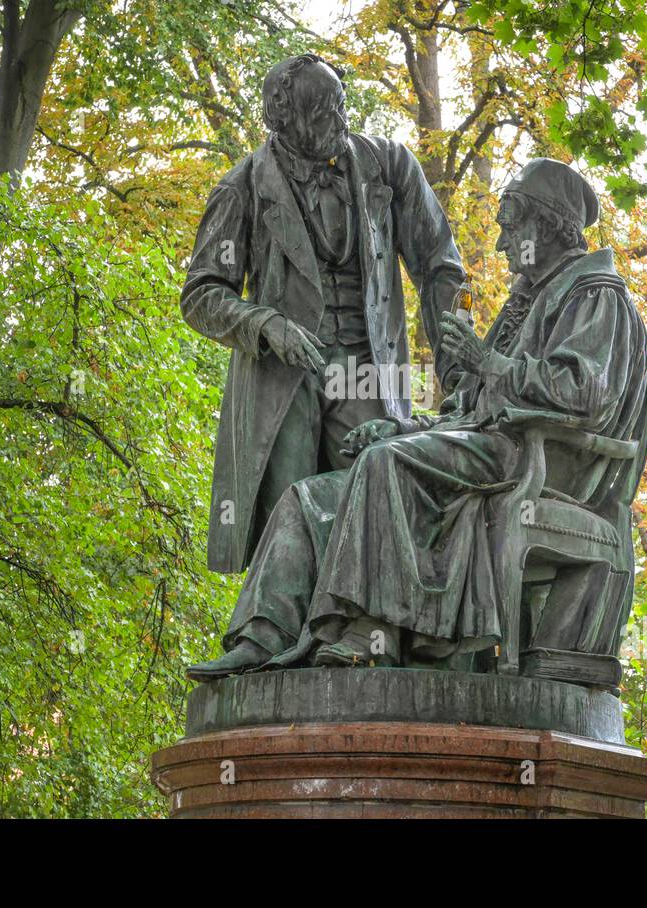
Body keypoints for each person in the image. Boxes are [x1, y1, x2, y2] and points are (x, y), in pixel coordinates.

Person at [188, 158, 647, 680]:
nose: (502, 246)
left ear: (544, 224)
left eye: (510, 228)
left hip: (543, 460)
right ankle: (263, 634)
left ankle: (370, 633)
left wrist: (488, 363)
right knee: (312, 495)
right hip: (485, 449)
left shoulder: (596, 295)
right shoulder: (525, 302)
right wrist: (403, 427)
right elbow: (465, 409)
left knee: (386, 465)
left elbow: (585, 390)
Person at [181, 54, 465, 574]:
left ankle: (363, 641)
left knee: (380, 504)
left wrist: (459, 368)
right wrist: (265, 324)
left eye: (342, 106)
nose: (342, 122)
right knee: (288, 522)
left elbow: (440, 267)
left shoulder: (390, 165)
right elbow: (201, 294)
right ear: (283, 119)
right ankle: (280, 644)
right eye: (326, 112)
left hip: (367, 371)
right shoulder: (241, 187)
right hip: (283, 381)